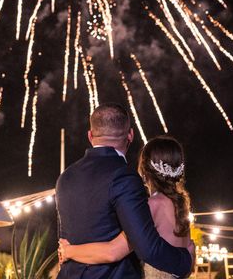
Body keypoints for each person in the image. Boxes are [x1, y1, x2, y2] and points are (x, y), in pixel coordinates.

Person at [55, 103, 194, 279]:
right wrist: (186, 261)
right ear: (130, 135)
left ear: (90, 135)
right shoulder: (125, 177)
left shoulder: (65, 178)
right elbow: (146, 247)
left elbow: (64, 239)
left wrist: (68, 251)